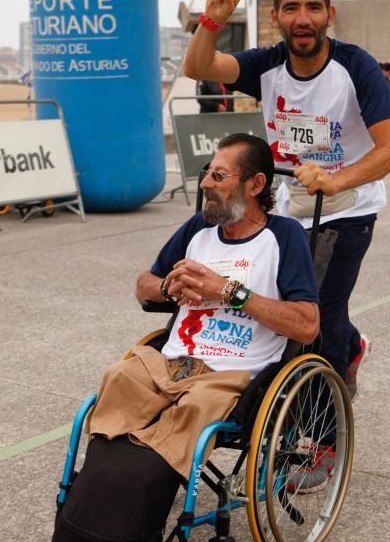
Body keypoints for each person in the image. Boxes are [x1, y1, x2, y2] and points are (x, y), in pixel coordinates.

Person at [183, 0, 390, 400]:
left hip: (349, 208)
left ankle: (323, 430)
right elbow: (198, 69)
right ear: (276, 18)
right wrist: (211, 21)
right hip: (293, 206)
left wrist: (337, 179)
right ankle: (352, 343)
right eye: (291, 8)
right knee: (286, 299)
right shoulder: (267, 65)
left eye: (313, 7)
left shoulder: (355, 67)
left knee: (317, 310)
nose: (302, 18)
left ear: (329, 15)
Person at [86, 133, 319, 479]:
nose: (206, 183)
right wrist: (167, 287)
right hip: (172, 364)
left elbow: (306, 325)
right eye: (208, 172)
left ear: (256, 185)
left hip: (232, 374)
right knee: (118, 378)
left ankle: (141, 494)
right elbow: (143, 286)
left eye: (219, 176)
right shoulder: (199, 228)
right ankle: (102, 492)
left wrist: (229, 291)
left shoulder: (284, 236)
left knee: (194, 408)